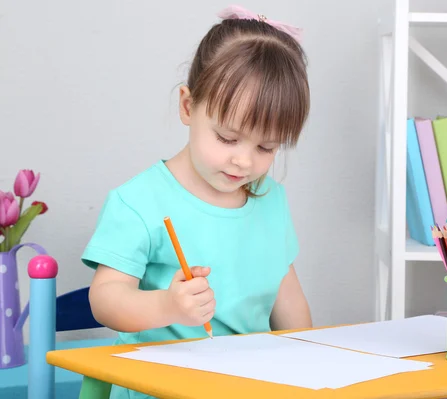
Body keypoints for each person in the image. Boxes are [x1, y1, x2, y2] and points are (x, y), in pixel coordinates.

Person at [82, 5, 312, 398]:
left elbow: (286, 297)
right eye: (227, 138)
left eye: (266, 146)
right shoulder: (138, 202)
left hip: (250, 383)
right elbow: (105, 299)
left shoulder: (270, 199)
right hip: (161, 384)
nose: (244, 160)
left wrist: (310, 361)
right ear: (188, 107)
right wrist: (168, 307)